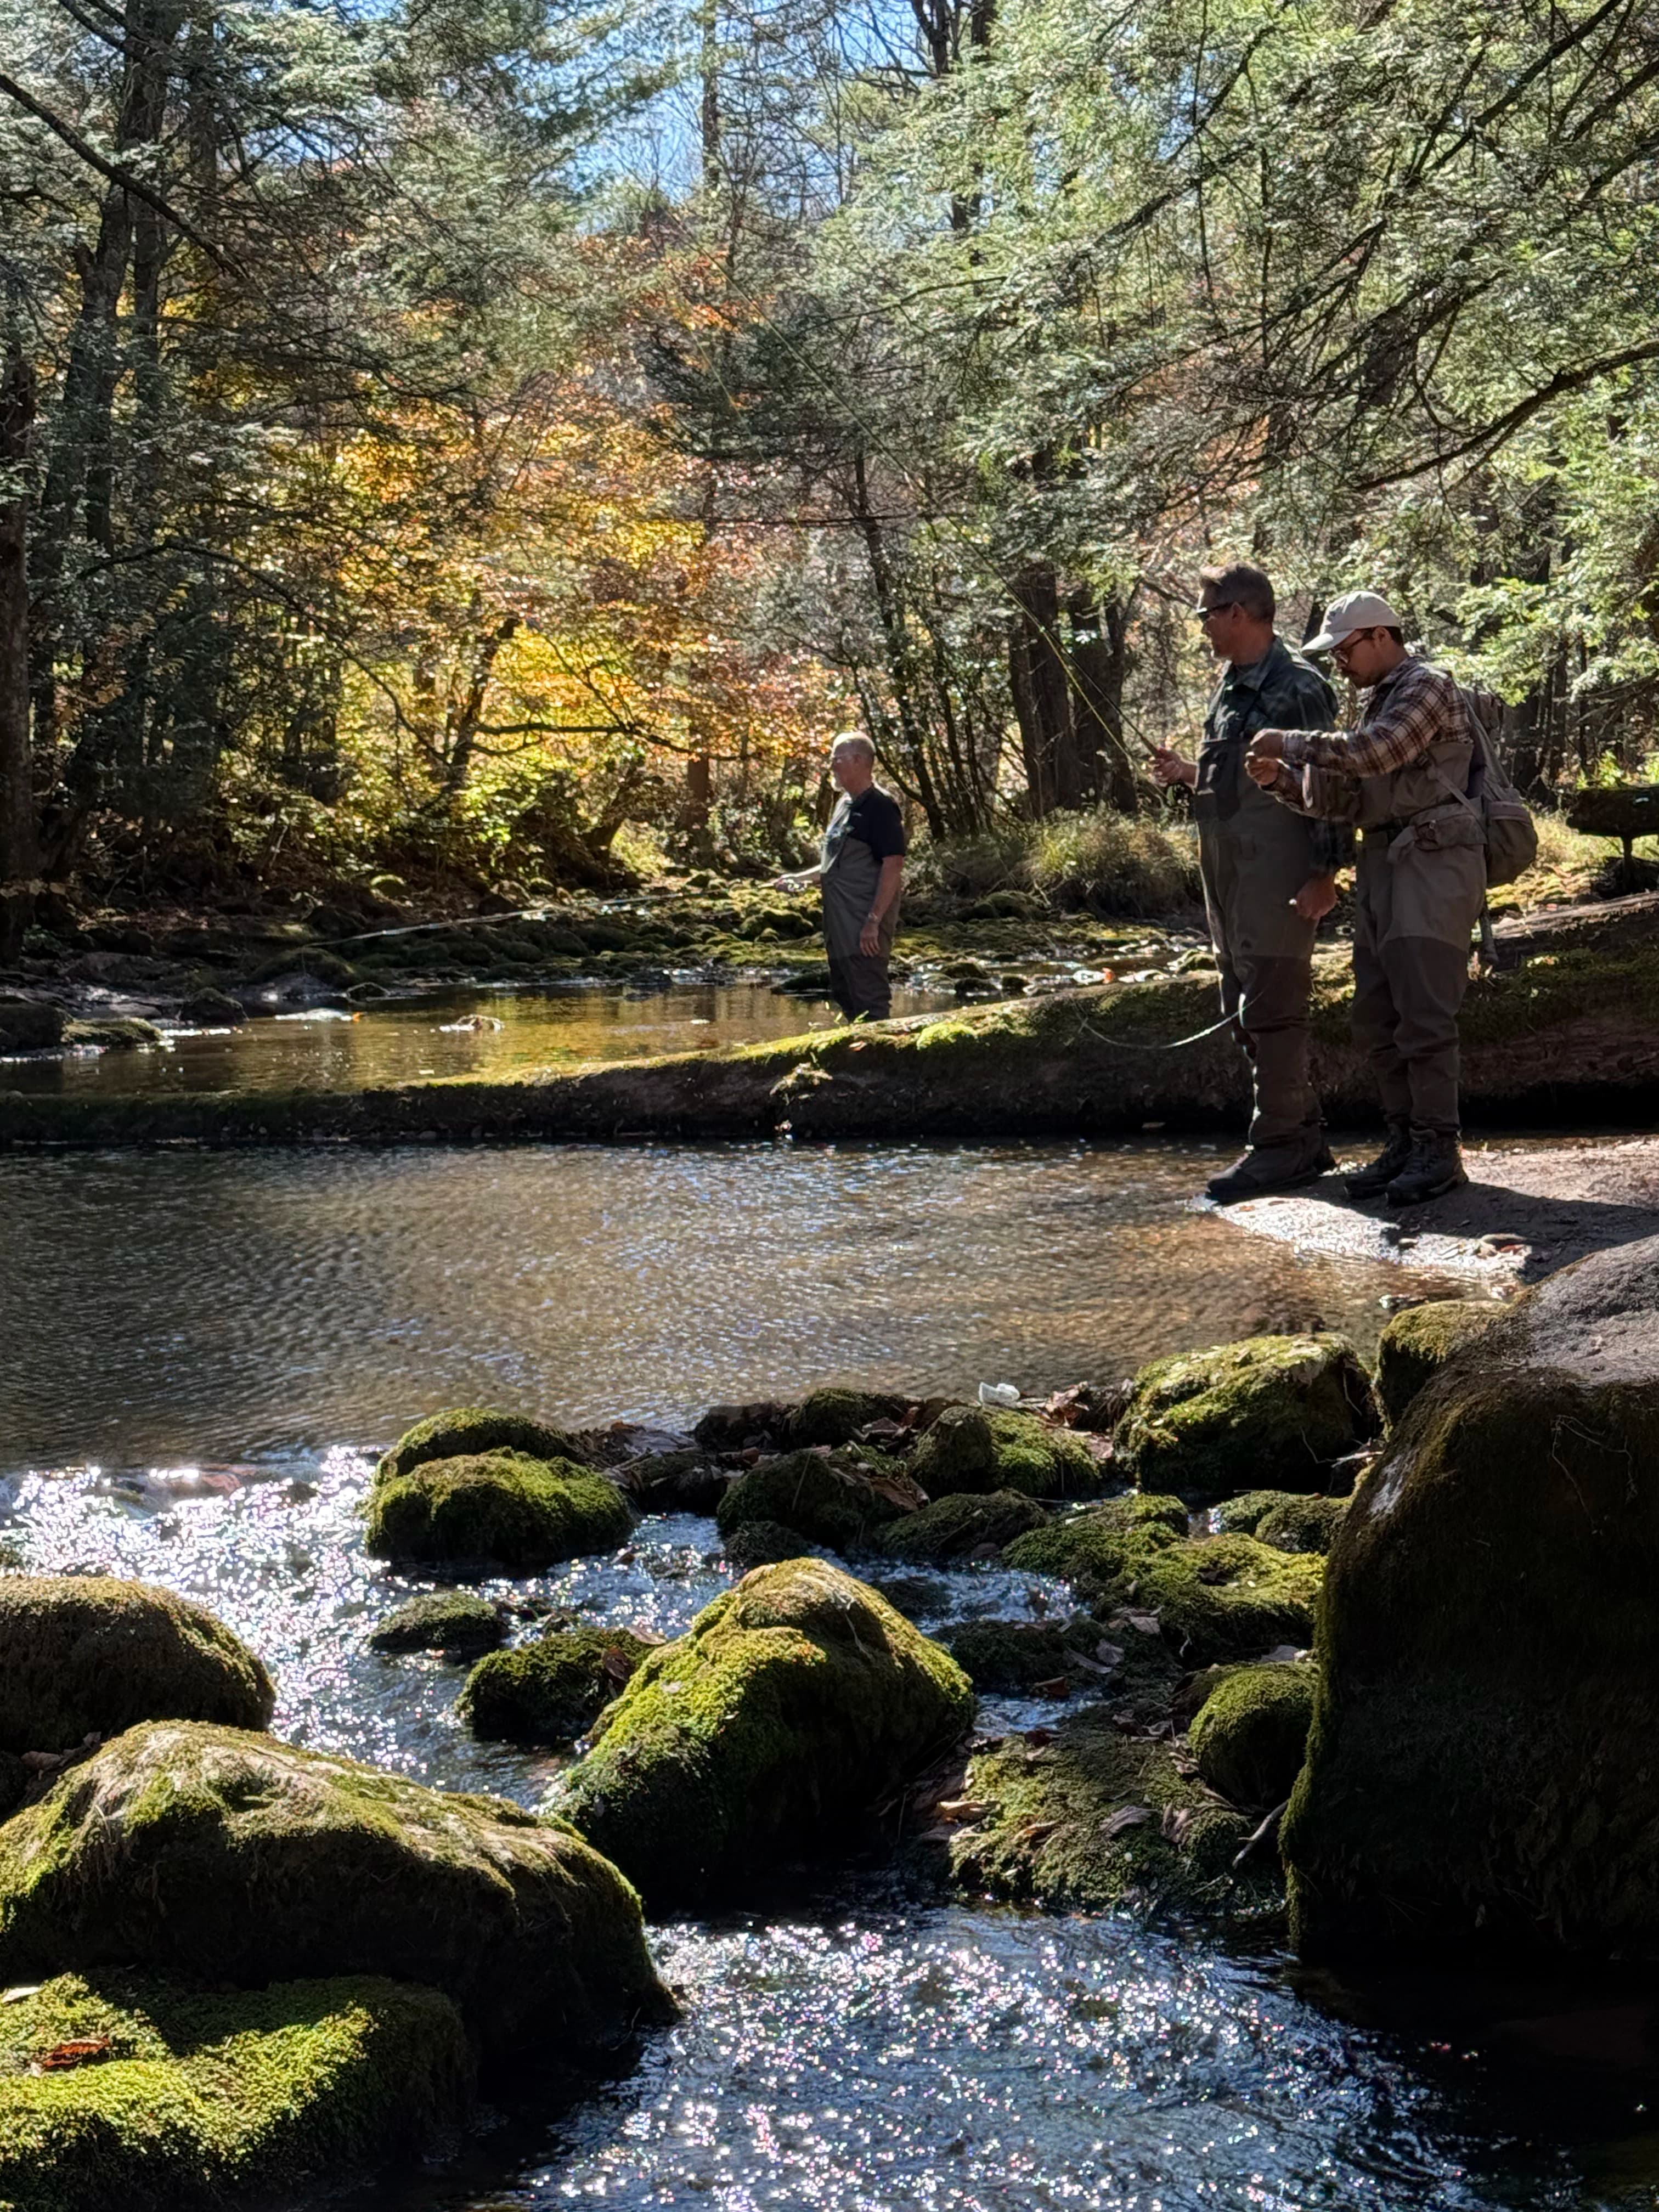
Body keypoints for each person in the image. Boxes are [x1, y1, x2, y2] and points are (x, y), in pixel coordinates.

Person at [1245, 589, 1484, 1206]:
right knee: (1376, 1017)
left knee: (1425, 1015)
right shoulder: (1374, 703)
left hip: (1434, 864)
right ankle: (1405, 1142)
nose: (1339, 665)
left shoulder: (1427, 686)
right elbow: (1347, 799)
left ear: (1381, 636)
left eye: (1344, 650)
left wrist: (1288, 742)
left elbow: (1378, 753)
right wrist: (1285, 785)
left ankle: (1439, 1148)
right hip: (1383, 866)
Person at [1151, 562, 1346, 1202]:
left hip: (1280, 868)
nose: (1202, 626)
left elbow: (1335, 786)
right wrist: (1188, 772)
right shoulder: (1227, 688)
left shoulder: (1301, 687)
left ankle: (1277, 1148)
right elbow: (1233, 779)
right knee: (1240, 1006)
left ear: (1238, 613)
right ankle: (1306, 1137)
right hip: (1225, 871)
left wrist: (1325, 873)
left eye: (1207, 613)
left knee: (1271, 1004)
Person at [775, 732, 907, 1021]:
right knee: (845, 993)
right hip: (838, 927)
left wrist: (873, 921)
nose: (832, 765)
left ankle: (880, 1061)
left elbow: (893, 866)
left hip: (863, 926)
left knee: (870, 998)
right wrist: (799, 878)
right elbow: (833, 865)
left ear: (858, 761)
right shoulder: (843, 805)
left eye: (836, 759)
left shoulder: (882, 806)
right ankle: (859, 1060)